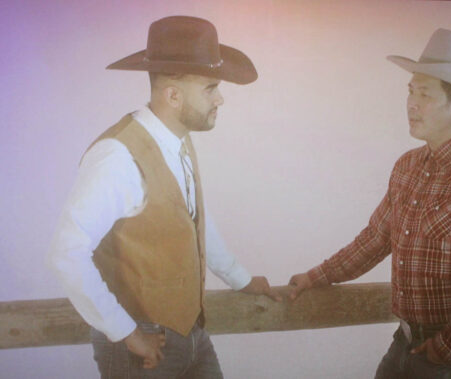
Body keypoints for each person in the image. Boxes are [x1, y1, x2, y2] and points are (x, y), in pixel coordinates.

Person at [48, 16, 281, 378]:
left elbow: (194, 222)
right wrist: (126, 333)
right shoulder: (118, 157)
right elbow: (67, 253)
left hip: (192, 333)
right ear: (173, 95)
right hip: (140, 347)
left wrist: (240, 279)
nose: (220, 98)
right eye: (210, 88)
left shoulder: (177, 139)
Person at [288, 28, 451, 378]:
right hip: (407, 339)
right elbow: (375, 239)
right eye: (411, 91)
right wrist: (316, 276)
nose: (411, 104)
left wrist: (448, 347)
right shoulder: (407, 166)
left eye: (424, 94)